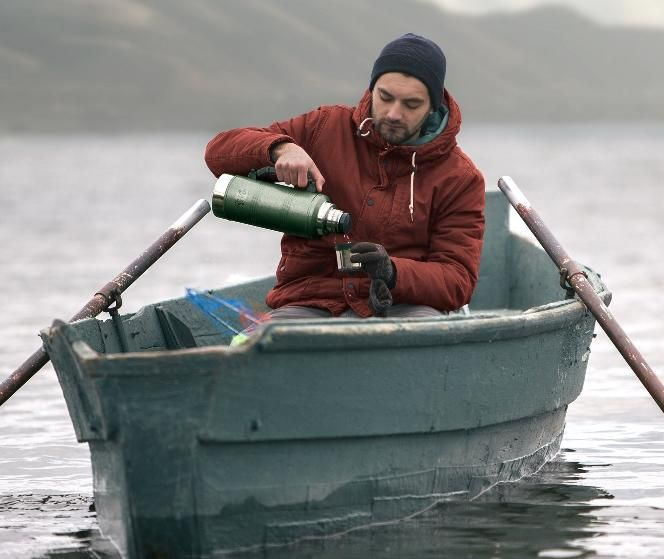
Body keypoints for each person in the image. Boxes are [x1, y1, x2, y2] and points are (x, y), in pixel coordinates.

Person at [205, 33, 485, 323]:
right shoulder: (324, 127)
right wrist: (280, 148)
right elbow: (217, 153)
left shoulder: (460, 178)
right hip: (309, 301)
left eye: (411, 105)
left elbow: (457, 280)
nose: (393, 113)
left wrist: (393, 272)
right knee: (260, 348)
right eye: (385, 97)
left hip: (404, 306)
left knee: (426, 340)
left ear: (433, 106)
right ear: (371, 88)